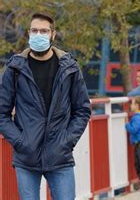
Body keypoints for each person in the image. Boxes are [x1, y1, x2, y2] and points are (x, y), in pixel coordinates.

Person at [0, 12, 91, 199]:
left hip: (60, 156)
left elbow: (82, 110)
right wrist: (19, 141)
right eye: (35, 31)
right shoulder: (15, 68)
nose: (39, 35)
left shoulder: (69, 68)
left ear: (53, 34)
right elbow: (1, 112)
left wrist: (67, 141)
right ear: (28, 33)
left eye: (44, 31)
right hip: (26, 156)